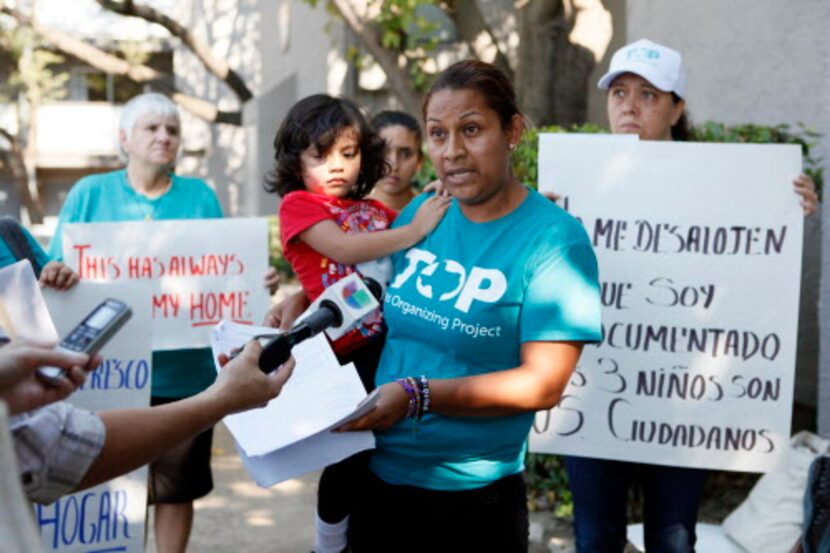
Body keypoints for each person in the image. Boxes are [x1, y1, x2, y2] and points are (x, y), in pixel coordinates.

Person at [270, 60, 603, 552]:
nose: (453, 152)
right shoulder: (424, 216)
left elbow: (544, 383)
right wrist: (298, 297)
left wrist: (417, 394)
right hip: (377, 481)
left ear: (512, 131)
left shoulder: (554, 241)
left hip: (472, 502)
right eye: (438, 134)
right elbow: (368, 284)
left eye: (471, 130)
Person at [562, 38, 819, 553]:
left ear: (677, 108)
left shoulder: (729, 185)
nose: (629, 105)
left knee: (674, 537)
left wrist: (790, 208)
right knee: (595, 537)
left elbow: (754, 263)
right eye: (619, 93)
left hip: (682, 401)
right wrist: (539, 218)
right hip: (592, 393)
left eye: (648, 94)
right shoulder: (573, 178)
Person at [47, 92, 279, 553]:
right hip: (109, 372)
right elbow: (60, 270)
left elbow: (222, 269)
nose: (164, 136)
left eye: (172, 129)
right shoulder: (89, 194)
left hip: (186, 374)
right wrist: (56, 273)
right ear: (123, 139)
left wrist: (256, 280)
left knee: (177, 486)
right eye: (152, 128)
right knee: (109, 484)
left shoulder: (199, 197)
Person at [264, 93, 449, 553]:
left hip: (388, 342)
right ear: (295, 159)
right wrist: (413, 229)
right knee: (347, 454)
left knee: (379, 452)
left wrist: (436, 206)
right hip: (341, 353)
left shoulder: (370, 210)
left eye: (348, 153)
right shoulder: (299, 206)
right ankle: (327, 544)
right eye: (320, 154)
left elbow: (408, 245)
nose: (337, 166)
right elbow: (344, 251)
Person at [2, 340, 293, 504]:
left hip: (187, 380)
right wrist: (221, 400)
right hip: (149, 384)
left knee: (177, 493)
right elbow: (54, 447)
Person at [369, 110, 424, 211]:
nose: (394, 165)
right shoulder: (348, 216)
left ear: (419, 161)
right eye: (383, 152)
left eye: (405, 154)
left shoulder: (433, 212)